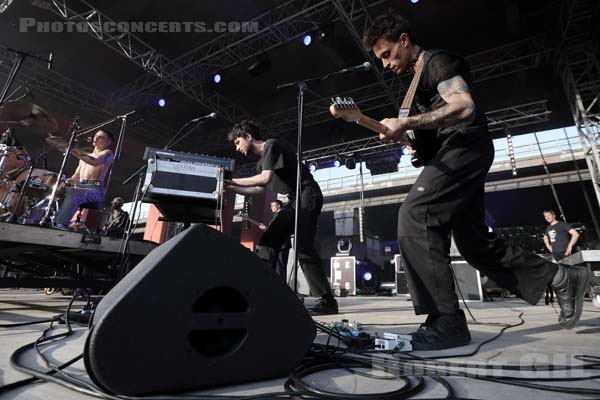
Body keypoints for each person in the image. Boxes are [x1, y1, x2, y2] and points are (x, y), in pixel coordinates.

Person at [363, 12, 590, 350]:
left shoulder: (435, 62)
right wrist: (410, 141)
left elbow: (464, 106)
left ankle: (447, 321)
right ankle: (561, 277)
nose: (385, 64)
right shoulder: (413, 84)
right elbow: (430, 134)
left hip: (466, 146)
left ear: (404, 41)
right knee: (474, 243)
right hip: (458, 152)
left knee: (416, 214)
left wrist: (407, 123)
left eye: (386, 54)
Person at [225, 120, 338, 315]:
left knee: (303, 247)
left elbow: (265, 179)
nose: (237, 148)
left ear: (248, 137)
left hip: (307, 193)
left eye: (237, 142)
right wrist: (230, 187)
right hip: (294, 200)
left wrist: (232, 179)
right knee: (269, 240)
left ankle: (327, 301)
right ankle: (262, 294)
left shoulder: (271, 145)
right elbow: (258, 190)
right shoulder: (261, 162)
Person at [54, 130, 114, 230]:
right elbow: (75, 177)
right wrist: (67, 181)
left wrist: (74, 151)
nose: (96, 138)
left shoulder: (107, 153)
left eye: (101, 137)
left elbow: (96, 162)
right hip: (79, 187)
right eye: (96, 136)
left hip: (95, 190)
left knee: (75, 192)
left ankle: (61, 223)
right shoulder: (84, 157)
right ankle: (46, 218)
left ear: (108, 142)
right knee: (55, 188)